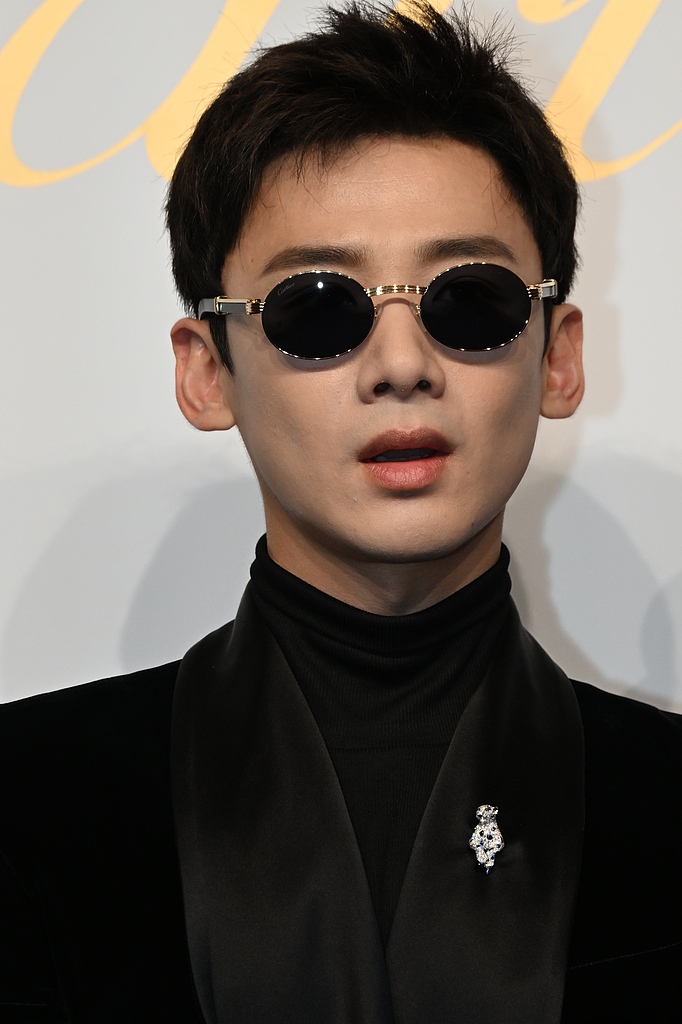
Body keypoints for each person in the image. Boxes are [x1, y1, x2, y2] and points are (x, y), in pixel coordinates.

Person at [1, 4, 680, 1022]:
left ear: (559, 354)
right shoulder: (27, 802)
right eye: (316, 306)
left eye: (470, 300)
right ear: (206, 372)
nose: (401, 365)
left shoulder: (665, 802)